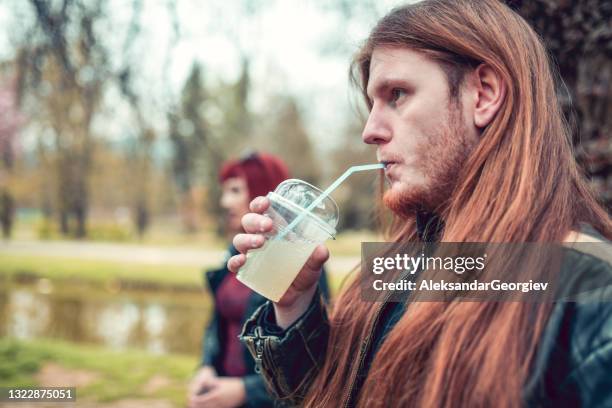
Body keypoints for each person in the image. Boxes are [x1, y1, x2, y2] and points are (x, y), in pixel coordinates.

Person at [228, 1, 612, 407]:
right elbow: (335, 396)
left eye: (397, 95)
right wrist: (295, 306)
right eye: (372, 103)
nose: (370, 131)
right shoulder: (399, 262)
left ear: (483, 95)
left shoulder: (588, 292)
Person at [187, 152, 330, 408]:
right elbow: (217, 322)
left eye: (235, 190)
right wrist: (207, 366)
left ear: (260, 192)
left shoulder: (300, 264)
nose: (224, 202)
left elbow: (315, 358)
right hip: (219, 393)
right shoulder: (237, 254)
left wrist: (246, 391)